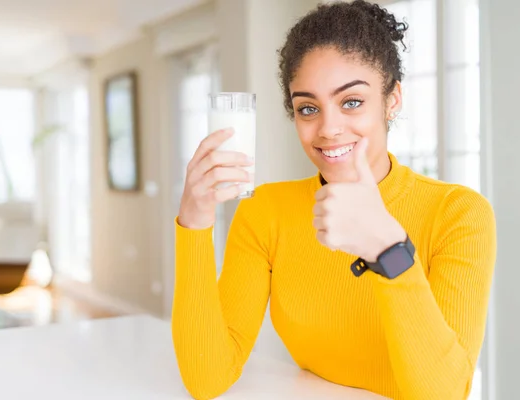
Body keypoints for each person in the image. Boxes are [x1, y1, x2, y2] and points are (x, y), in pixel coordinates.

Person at [171, 1, 497, 399]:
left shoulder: (459, 215)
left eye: (352, 102)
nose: (328, 129)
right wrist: (194, 222)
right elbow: (206, 379)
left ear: (392, 100)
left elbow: (443, 393)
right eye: (308, 108)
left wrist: (388, 250)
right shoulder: (265, 211)